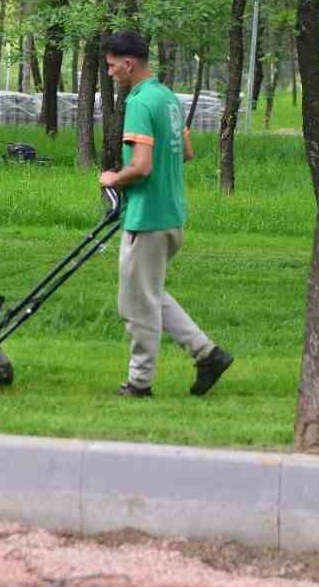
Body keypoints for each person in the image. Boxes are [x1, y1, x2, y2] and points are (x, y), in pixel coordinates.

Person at [97, 29, 233, 399]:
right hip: (172, 214)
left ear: (128, 64)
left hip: (148, 217)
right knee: (149, 294)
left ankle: (139, 383)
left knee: (136, 305)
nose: (109, 73)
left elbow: (140, 167)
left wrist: (112, 177)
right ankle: (208, 354)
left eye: (111, 66)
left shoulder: (139, 103)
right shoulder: (167, 97)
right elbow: (185, 152)